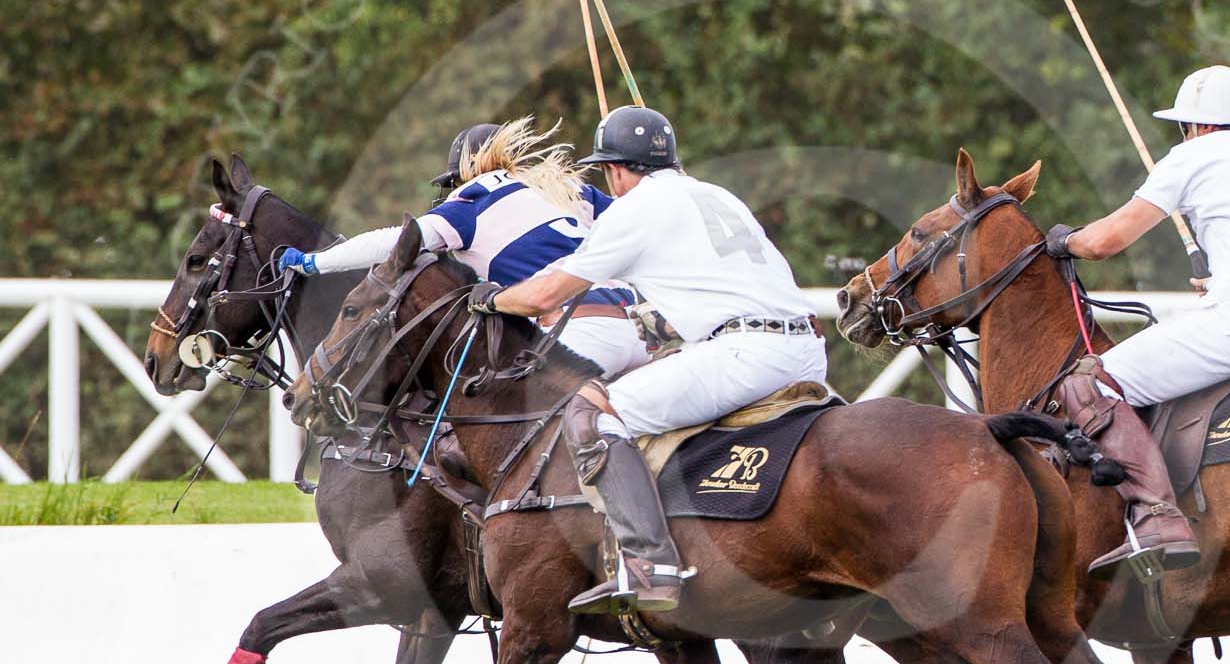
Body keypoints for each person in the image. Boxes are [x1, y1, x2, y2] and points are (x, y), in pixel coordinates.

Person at [472, 105, 828, 614]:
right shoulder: (716, 195)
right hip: (807, 352)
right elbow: (717, 292)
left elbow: (544, 296)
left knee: (591, 412)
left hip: (747, 357)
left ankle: (649, 561)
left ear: (615, 170)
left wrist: (487, 300)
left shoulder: (633, 210)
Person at [1041, 64, 1230, 580]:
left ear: (1197, 126)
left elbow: (1108, 242)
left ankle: (1157, 519)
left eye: (1185, 127)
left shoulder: (1193, 155)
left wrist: (1064, 240)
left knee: (1089, 383)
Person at [278, 118, 647, 379]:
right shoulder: (570, 189)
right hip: (642, 329)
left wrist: (314, 262)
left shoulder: (470, 204)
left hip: (575, 334)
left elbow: (391, 241)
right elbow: (640, 224)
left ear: (466, 172)